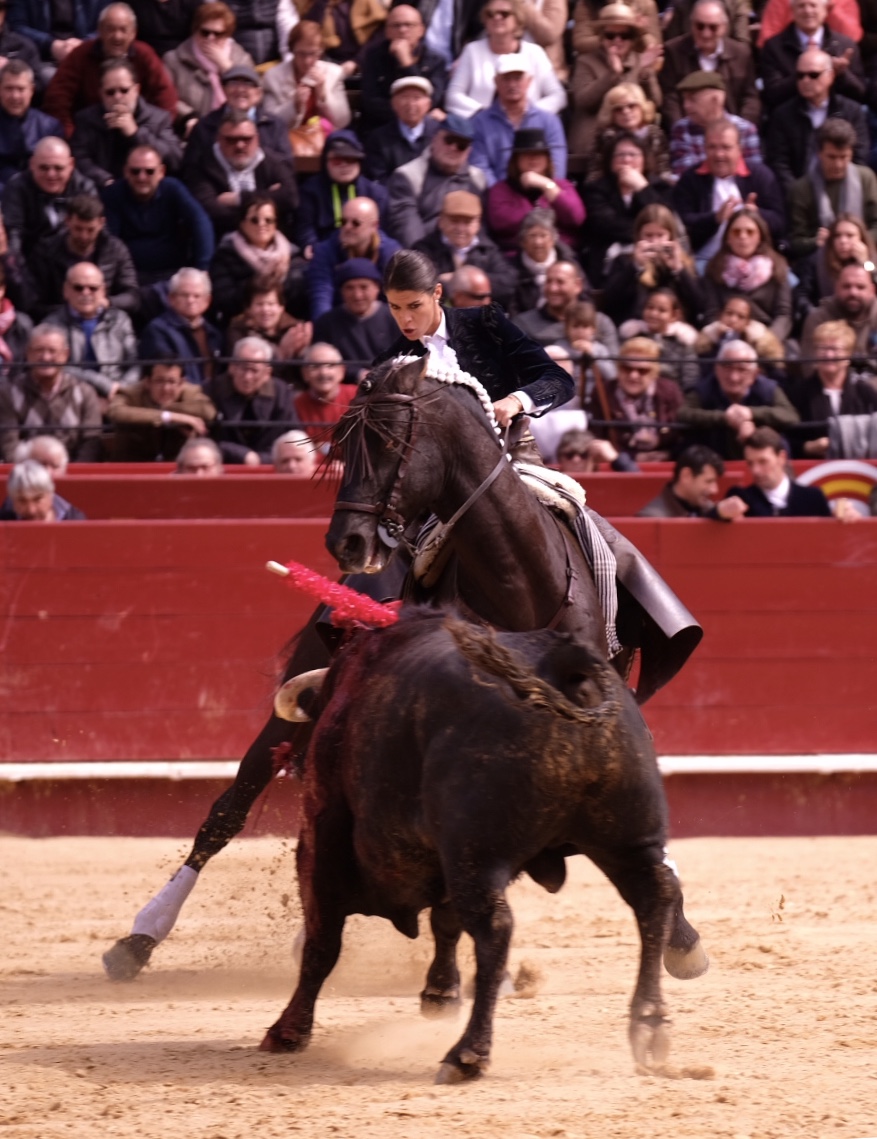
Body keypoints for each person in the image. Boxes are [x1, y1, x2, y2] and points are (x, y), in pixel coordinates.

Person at [376, 248, 574, 429]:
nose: (405, 319)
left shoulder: (486, 324)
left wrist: (516, 401)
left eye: (414, 306)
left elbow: (559, 379)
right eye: (395, 307)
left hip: (507, 453)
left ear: (437, 292)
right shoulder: (390, 362)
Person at [43, 2, 177, 136]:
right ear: (99, 31)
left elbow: (165, 98)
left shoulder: (145, 55)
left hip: (135, 133)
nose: (117, 36)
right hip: (91, 135)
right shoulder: (80, 55)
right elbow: (57, 101)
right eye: (110, 29)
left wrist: (149, 136)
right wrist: (71, 136)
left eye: (123, 30)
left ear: (133, 33)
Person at [672, 119, 786, 263]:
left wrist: (756, 214)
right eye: (712, 147)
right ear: (704, 148)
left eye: (726, 147)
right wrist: (715, 219)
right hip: (707, 259)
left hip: (757, 258)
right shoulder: (690, 179)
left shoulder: (761, 176)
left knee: (791, 282)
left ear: (739, 149)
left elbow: (780, 222)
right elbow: (682, 223)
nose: (719, 155)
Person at [101, 145, 215, 284]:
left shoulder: (173, 188)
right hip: (130, 277)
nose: (142, 177)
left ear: (161, 172)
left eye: (149, 171)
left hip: (172, 275)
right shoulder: (113, 194)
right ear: (126, 172)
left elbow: (200, 220)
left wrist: (202, 268)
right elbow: (110, 240)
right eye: (135, 171)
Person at [183, 106, 298, 242]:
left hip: (273, 243)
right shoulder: (203, 165)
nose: (240, 145)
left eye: (246, 139)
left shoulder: (272, 161)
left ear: (257, 139)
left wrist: (239, 198)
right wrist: (267, 201)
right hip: (222, 245)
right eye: (231, 140)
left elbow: (291, 198)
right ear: (219, 139)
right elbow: (209, 210)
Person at [765, 49, 869, 195]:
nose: (805, 81)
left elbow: (859, 157)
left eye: (813, 75)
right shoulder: (783, 115)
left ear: (831, 76)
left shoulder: (852, 111)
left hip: (844, 193)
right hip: (798, 196)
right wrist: (798, 194)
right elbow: (779, 163)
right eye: (800, 76)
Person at [678, 338, 801, 458]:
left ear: (754, 374)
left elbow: (790, 415)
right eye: (727, 367)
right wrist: (725, 417)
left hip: (759, 456)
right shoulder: (705, 387)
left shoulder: (767, 388)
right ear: (716, 369)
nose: (733, 377)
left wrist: (751, 414)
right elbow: (683, 413)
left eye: (741, 369)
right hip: (714, 457)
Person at [69, 57, 182, 187]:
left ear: (136, 90)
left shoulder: (158, 118)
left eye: (124, 90)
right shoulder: (86, 119)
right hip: (102, 191)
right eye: (110, 92)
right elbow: (79, 158)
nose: (117, 97)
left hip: (147, 191)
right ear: (101, 93)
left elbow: (175, 160)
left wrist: (136, 133)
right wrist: (105, 180)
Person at [23, 192, 139, 318]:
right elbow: (33, 304)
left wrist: (105, 303)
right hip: (59, 322)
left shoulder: (115, 250)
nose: (84, 236)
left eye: (90, 230)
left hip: (104, 318)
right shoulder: (45, 251)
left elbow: (132, 297)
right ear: (67, 221)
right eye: (78, 229)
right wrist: (73, 308)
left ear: (101, 223)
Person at [569, 1, 663, 156]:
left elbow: (656, 102)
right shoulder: (586, 61)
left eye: (624, 36)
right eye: (610, 35)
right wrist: (612, 75)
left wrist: (646, 73)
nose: (617, 41)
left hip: (635, 144)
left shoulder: (641, 60)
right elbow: (584, 102)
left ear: (633, 39)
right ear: (601, 38)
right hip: (594, 144)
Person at [445, 0, 566, 118]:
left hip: (526, 128)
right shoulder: (472, 51)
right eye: (490, 14)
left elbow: (558, 96)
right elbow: (453, 96)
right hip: (480, 130)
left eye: (504, 14)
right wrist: (485, 114)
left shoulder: (534, 53)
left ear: (517, 20)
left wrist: (529, 113)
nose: (497, 17)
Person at [0, 323, 102, 461]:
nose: (45, 357)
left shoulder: (85, 392)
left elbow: (91, 443)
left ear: (66, 354)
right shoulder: (8, 393)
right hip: (28, 473)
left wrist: (74, 476)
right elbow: (9, 444)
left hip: (73, 472)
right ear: (28, 353)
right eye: (39, 350)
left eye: (52, 351)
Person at [385, 115, 486, 248]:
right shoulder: (407, 176)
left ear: (468, 152)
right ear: (434, 139)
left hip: (468, 258)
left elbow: (482, 232)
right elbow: (409, 234)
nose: (454, 148)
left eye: (461, 145)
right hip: (426, 257)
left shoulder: (478, 179)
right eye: (449, 140)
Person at [582, 133, 670, 285]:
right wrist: (644, 233)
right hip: (608, 255)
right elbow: (605, 224)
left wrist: (642, 188)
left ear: (644, 159)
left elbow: (664, 221)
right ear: (610, 161)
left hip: (654, 250)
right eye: (620, 155)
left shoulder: (659, 187)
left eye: (633, 155)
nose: (627, 160)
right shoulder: (596, 189)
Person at [787, 119, 877, 265]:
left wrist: (857, 240)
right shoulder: (802, 189)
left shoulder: (866, 178)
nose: (838, 164)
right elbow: (796, 242)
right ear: (819, 153)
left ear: (851, 154)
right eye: (832, 157)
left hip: (865, 258)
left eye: (844, 157)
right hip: (819, 263)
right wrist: (817, 242)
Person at [469, 53, 567, 186]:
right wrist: (501, 195)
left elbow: (557, 168)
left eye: (518, 78)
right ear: (496, 82)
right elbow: (480, 168)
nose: (512, 84)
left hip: (543, 197)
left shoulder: (550, 122)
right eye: (506, 78)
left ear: (529, 81)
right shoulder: (479, 122)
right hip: (497, 200)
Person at [412, 189, 518, 311]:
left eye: (467, 222)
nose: (460, 228)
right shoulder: (424, 249)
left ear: (478, 224)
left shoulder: (488, 250)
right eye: (454, 221)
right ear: (441, 220)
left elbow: (509, 283)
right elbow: (421, 286)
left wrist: (462, 280)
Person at [180, 63, 293, 176]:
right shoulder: (205, 126)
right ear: (223, 89)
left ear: (258, 93)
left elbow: (286, 166)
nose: (240, 89)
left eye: (248, 83)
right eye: (233, 83)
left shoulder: (275, 125)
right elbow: (191, 170)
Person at [599, 202, 702, 326]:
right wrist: (635, 266)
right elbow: (608, 300)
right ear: (638, 236)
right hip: (635, 329)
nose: (654, 241)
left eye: (660, 235)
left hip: (676, 331)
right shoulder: (624, 261)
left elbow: (700, 304)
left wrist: (678, 270)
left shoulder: (683, 263)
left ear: (670, 236)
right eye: (648, 235)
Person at [44, 261, 139, 395]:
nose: (86, 293)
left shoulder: (120, 320)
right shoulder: (52, 325)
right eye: (78, 288)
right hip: (71, 396)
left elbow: (136, 362)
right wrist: (103, 384)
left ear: (103, 291)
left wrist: (121, 389)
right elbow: (58, 367)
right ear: (66, 290)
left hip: (118, 394)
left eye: (93, 288)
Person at [659, 0, 760, 125]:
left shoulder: (741, 54)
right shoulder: (673, 51)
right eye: (700, 26)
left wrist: (740, 131)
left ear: (724, 27)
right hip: (688, 132)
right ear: (691, 25)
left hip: (732, 132)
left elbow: (750, 98)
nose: (706, 34)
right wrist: (681, 130)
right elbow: (670, 98)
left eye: (713, 27)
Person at [485, 127, 585, 254]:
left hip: (561, 255)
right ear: (516, 159)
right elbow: (501, 222)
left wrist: (547, 185)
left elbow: (576, 217)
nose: (533, 158)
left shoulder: (562, 185)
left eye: (539, 153)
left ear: (547, 159)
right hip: (516, 257)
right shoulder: (500, 189)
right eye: (526, 153)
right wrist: (549, 216)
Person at [584, 335, 683, 463]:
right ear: (618, 369)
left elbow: (682, 436)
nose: (633, 375)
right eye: (627, 368)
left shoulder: (670, 391)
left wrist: (668, 454)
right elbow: (596, 439)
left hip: (666, 463)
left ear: (654, 373)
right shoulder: (603, 392)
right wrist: (632, 457)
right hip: (618, 466)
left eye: (642, 370)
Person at [208, 191, 302, 323]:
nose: (262, 225)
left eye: (268, 220)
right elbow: (224, 301)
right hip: (243, 326)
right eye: (254, 220)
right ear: (242, 223)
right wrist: (261, 282)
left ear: (276, 224)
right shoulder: (225, 256)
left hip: (287, 325)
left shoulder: (294, 256)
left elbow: (301, 300)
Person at [702, 207, 793, 342]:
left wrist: (767, 341)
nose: (743, 236)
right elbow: (711, 314)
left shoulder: (777, 267)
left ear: (760, 237)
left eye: (750, 232)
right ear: (728, 238)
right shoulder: (715, 268)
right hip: (726, 338)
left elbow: (784, 315)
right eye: (736, 232)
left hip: (766, 338)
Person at [789, 319, 877, 456]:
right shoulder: (799, 392)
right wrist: (808, 447)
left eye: (835, 349)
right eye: (823, 348)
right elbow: (787, 438)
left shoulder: (865, 392)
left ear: (848, 356)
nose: (829, 355)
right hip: (814, 469)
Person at [205, 334, 296, 465]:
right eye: (243, 368)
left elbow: (293, 435)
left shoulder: (281, 392)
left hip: (269, 467)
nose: (247, 377)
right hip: (222, 466)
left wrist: (262, 459)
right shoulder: (212, 389)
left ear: (267, 373)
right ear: (232, 367)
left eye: (254, 370)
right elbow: (203, 439)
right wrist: (240, 454)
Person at [161, 1, 254, 128]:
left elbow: (251, 97)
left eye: (218, 34)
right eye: (205, 32)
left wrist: (227, 67)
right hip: (192, 130)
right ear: (195, 30)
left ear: (228, 35)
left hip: (235, 128)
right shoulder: (174, 60)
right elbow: (167, 98)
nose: (210, 38)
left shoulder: (242, 59)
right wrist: (188, 117)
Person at [760, 0, 866, 111]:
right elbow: (772, 96)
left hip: (838, 116)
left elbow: (860, 94)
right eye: (801, 6)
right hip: (791, 118)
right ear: (792, 11)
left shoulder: (845, 45)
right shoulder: (774, 47)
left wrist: (841, 74)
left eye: (813, 5)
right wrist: (805, 75)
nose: (807, 11)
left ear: (825, 10)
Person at [293, 129, 387, 254]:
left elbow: (383, 231)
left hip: (366, 251)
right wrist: (309, 244)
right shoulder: (310, 190)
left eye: (350, 159)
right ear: (325, 162)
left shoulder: (376, 193)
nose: (344, 166)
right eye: (337, 161)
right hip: (324, 251)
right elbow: (305, 228)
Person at [357, 4, 447, 133]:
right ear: (387, 32)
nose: (402, 30)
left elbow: (431, 99)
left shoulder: (436, 61)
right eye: (396, 25)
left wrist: (407, 63)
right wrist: (408, 115)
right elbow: (371, 102)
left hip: (423, 130)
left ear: (421, 30)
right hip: (381, 128)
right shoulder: (374, 56)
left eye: (409, 25)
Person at [308, 196, 401, 320]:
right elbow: (321, 296)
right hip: (340, 319)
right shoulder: (325, 251)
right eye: (343, 222)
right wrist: (324, 330)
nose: (347, 227)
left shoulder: (391, 253)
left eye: (355, 223)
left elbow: (398, 300)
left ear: (374, 225)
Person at [106, 356, 217, 460]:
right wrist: (170, 417)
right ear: (147, 382)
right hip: (133, 465)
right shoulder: (132, 393)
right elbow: (116, 411)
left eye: (172, 381)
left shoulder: (190, 392)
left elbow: (208, 411)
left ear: (182, 383)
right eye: (159, 381)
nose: (166, 388)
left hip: (177, 466)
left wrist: (167, 408)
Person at [2, 136, 96, 256]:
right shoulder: (17, 187)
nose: (51, 175)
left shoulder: (84, 188)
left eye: (58, 168)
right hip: (30, 261)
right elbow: (13, 237)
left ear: (71, 165)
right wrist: (18, 273)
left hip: (72, 261)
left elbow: (96, 234)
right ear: (32, 164)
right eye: (44, 168)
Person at [716, 426, 835, 517]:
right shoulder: (741, 497)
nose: (755, 470)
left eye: (763, 462)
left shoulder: (812, 498)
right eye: (750, 463)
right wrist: (720, 510)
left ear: (781, 458)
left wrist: (844, 518)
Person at [311, 260, 397, 383]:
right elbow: (321, 362)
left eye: (364, 287)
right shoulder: (326, 323)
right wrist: (357, 374)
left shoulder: (394, 317)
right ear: (341, 291)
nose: (357, 295)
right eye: (350, 288)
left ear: (377, 288)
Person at [261, 20, 351, 132]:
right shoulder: (273, 77)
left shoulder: (333, 73)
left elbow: (343, 121)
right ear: (292, 50)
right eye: (301, 54)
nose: (307, 61)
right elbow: (269, 123)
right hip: (290, 139)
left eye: (313, 53)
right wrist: (294, 105)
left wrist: (323, 95)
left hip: (326, 138)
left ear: (320, 52)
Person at [668, 70, 761, 178]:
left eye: (692, 99)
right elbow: (684, 176)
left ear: (716, 100)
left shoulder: (745, 129)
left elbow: (753, 175)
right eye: (684, 99)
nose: (686, 106)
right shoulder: (681, 129)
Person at [515, 258, 618, 354]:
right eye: (548, 281)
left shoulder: (600, 322)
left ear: (577, 285)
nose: (552, 289)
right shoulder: (524, 324)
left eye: (560, 282)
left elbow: (613, 366)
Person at [138, 267, 222, 385]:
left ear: (207, 301)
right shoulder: (157, 331)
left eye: (197, 296)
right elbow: (164, 378)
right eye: (184, 295)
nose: (190, 300)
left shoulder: (214, 334)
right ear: (171, 298)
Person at [800, 263, 877, 377]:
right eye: (846, 286)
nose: (853, 293)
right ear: (836, 287)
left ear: (872, 290)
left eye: (860, 287)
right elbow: (810, 369)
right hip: (833, 388)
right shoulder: (818, 318)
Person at [226, 281, 311, 379]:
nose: (265, 310)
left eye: (271, 304)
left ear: (281, 308)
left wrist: (302, 351)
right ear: (249, 309)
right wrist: (280, 353)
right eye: (259, 304)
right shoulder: (238, 331)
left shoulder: (295, 329)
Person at [618, 288, 700, 390]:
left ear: (674, 315)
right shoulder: (633, 336)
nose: (653, 314)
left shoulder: (682, 341)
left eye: (662, 310)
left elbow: (690, 378)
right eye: (650, 307)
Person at [363, 76, 440, 184]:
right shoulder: (378, 139)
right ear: (393, 104)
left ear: (428, 104)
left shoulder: (440, 135)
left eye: (417, 98)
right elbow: (379, 179)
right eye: (405, 97)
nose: (410, 104)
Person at [0, 60, 63, 191]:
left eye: (20, 89)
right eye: (9, 89)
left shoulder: (50, 127)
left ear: (31, 90)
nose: (15, 96)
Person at [591, 81, 670, 184]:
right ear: (611, 114)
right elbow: (595, 176)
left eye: (632, 106)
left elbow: (664, 172)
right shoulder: (606, 137)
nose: (626, 111)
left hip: (651, 190)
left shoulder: (656, 135)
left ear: (642, 107)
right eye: (618, 109)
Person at [795, 213, 877, 310]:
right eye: (837, 236)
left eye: (850, 235)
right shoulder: (817, 260)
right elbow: (801, 296)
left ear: (861, 238)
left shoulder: (871, 260)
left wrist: (866, 263)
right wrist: (814, 314)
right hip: (825, 318)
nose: (843, 240)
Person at [507, 208, 579, 314]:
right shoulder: (511, 269)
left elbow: (584, 299)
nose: (538, 242)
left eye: (543, 235)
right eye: (532, 236)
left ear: (553, 239)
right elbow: (513, 310)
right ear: (523, 241)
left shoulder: (568, 261)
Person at [293, 340, 357, 446]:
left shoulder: (357, 396)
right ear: (305, 373)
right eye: (315, 367)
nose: (323, 373)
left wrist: (322, 447)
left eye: (330, 366)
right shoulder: (296, 405)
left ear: (342, 371)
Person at [695, 295, 785, 371]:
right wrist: (722, 342)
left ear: (748, 323)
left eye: (741, 317)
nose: (733, 320)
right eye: (729, 313)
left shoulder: (760, 350)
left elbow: (776, 377)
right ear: (720, 315)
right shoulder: (707, 346)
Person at [637, 444, 728, 517]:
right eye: (708, 481)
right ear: (686, 475)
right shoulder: (652, 517)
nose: (715, 490)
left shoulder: (710, 509)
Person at [8, 0, 102, 68]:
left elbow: (109, 24)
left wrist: (83, 44)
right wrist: (50, 45)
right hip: (42, 58)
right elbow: (17, 27)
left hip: (88, 55)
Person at [0, 458, 86, 520]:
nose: (31, 510)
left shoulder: (73, 519)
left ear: (51, 494)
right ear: (13, 500)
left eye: (37, 499)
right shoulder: (5, 517)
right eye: (22, 501)